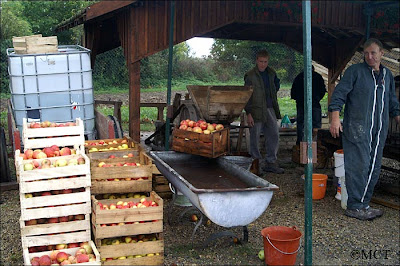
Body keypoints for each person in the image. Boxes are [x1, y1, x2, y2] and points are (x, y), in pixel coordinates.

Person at [329, 38, 400, 221]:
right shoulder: (355, 72)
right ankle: (354, 206)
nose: (369, 56)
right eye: (366, 53)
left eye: (373, 53)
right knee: (358, 167)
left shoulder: (387, 75)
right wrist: (335, 120)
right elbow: (339, 95)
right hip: (357, 128)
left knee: (374, 167)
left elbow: (392, 102)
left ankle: (364, 204)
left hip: (379, 129)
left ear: (382, 53)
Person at [244, 49, 284, 174]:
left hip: (270, 108)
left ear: (268, 61)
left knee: (274, 134)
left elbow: (276, 85)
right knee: (254, 137)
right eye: (261, 61)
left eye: (265, 61)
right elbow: (246, 95)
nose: (263, 64)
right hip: (255, 109)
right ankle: (256, 164)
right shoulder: (250, 75)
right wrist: (248, 113)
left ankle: (271, 162)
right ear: (256, 61)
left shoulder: (271, 73)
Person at [291, 65, 326, 144]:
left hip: (301, 104)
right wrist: (317, 98)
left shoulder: (299, 77)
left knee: (301, 124)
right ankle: (315, 144)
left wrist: (299, 98)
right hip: (315, 104)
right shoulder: (318, 77)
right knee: (316, 125)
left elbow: (293, 93)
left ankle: (300, 144)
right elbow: (323, 91)